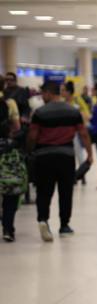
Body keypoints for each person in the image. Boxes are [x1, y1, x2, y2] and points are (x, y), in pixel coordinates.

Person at [26, 81, 93, 242]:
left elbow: (33, 136)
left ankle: (43, 220)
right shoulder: (73, 111)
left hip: (44, 157)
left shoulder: (39, 113)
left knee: (44, 191)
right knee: (65, 191)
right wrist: (90, 154)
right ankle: (64, 225)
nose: (42, 97)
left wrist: (29, 151)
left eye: (43, 94)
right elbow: (83, 133)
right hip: (66, 156)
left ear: (49, 93)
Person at [1, 79, 22, 241]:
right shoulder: (9, 103)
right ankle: (8, 228)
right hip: (6, 150)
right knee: (10, 190)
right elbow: (17, 127)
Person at [61, 81, 91, 183]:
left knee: (79, 154)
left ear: (69, 92)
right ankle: (71, 176)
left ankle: (81, 174)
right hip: (65, 134)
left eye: (63, 90)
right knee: (68, 156)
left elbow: (87, 114)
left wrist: (81, 116)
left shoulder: (78, 100)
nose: (62, 92)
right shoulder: (61, 102)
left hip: (76, 133)